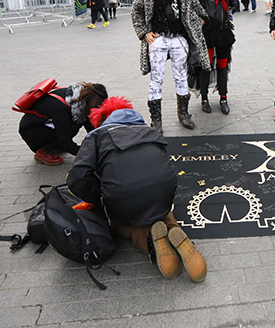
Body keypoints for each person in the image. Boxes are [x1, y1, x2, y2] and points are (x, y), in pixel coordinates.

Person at [67, 96, 207, 282]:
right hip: (163, 191)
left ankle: (148, 237)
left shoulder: (96, 136)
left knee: (118, 222)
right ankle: (174, 230)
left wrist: (100, 198)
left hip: (122, 197)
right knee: (156, 205)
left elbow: (78, 177)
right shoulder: (149, 131)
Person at [131, 0, 210, 133]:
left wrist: (203, 19)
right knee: (156, 79)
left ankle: (183, 113)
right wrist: (144, 33)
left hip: (179, 38)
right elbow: (137, 11)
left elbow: (196, 6)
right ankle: (156, 120)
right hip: (157, 39)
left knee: (181, 76)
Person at [18, 82, 107, 165]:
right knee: (71, 128)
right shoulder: (60, 108)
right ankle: (42, 150)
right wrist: (88, 154)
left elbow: (90, 126)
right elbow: (65, 139)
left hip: (47, 124)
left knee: (75, 124)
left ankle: (55, 145)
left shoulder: (78, 99)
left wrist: (102, 142)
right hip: (32, 131)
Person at [195, 0, 238, 114]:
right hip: (206, 33)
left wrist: (228, 13)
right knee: (206, 67)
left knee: (222, 67)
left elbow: (235, 3)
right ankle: (204, 98)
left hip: (223, 32)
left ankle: (223, 98)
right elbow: (193, 7)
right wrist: (202, 19)